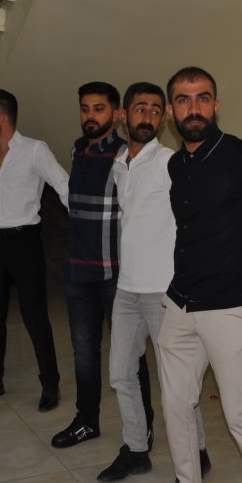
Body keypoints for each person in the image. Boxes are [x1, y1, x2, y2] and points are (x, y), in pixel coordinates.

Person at [148, 67, 242, 483]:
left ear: (216, 105)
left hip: (231, 308)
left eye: (203, 98)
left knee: (241, 410)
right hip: (181, 301)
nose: (194, 108)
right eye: (183, 100)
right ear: (171, 111)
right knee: (175, 402)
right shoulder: (176, 166)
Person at [97, 82, 209, 481]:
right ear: (123, 116)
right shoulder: (119, 163)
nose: (148, 116)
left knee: (174, 381)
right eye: (140, 108)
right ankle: (136, 449)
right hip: (127, 288)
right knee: (120, 373)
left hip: (165, 290)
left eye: (156, 110)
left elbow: (196, 216)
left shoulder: (169, 162)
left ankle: (197, 450)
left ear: (163, 119)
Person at [50, 82, 153, 449]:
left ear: (117, 114)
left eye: (98, 108)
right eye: (85, 109)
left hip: (116, 274)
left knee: (130, 356)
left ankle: (144, 427)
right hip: (78, 270)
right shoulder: (77, 149)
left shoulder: (126, 154)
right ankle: (87, 421)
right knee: (84, 353)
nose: (90, 116)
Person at [0, 89, 69, 412]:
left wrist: (87, 225)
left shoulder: (35, 150)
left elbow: (64, 186)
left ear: (3, 117)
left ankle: (50, 384)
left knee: (35, 316)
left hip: (24, 241)